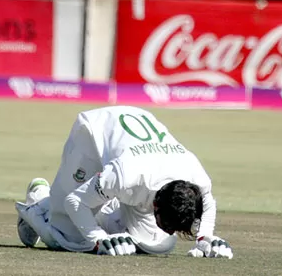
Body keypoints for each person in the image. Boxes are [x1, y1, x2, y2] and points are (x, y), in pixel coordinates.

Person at [15, 105, 233, 258]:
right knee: (71, 239)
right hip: (94, 133)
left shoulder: (196, 178)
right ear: (155, 205)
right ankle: (39, 203)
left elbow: (207, 201)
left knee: (157, 245)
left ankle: (103, 201)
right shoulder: (127, 175)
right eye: (167, 225)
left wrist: (205, 237)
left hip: (135, 154)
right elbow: (74, 201)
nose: (169, 231)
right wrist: (98, 238)